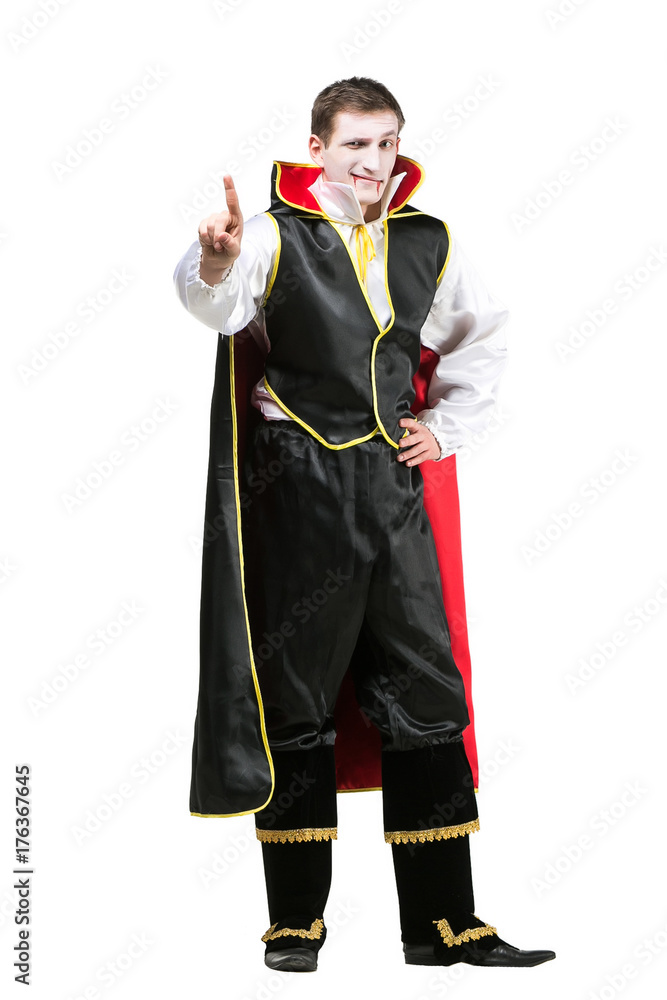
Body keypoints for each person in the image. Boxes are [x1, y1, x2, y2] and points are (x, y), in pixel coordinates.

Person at [173, 76, 555, 972]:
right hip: (298, 490)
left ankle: (444, 925)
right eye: (355, 144)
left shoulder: (430, 239)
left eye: (386, 143)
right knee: (296, 696)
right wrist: (215, 262)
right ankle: (294, 923)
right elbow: (218, 307)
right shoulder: (272, 234)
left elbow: (481, 337)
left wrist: (445, 428)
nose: (374, 161)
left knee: (426, 691)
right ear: (318, 148)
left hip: (394, 492)